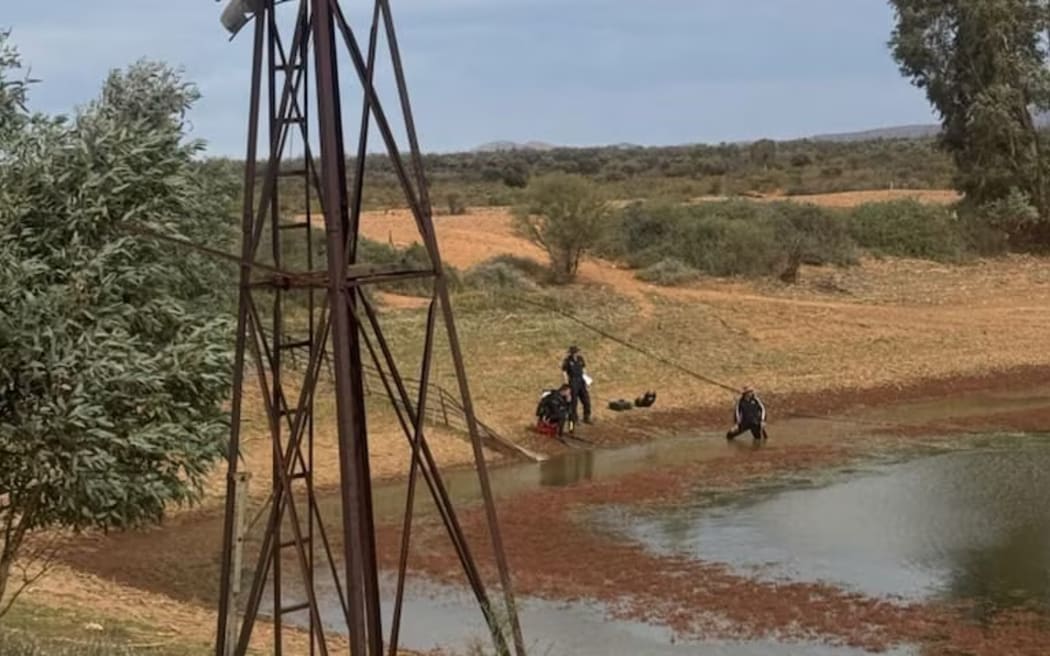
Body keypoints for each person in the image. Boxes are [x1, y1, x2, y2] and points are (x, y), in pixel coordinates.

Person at [561, 345, 592, 425]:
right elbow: (564, 372)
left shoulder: (580, 359)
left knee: (586, 400)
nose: (576, 354)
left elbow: (584, 369)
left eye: (577, 352)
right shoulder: (567, 361)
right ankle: (575, 418)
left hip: (581, 380)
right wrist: (566, 383)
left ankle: (587, 417)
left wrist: (586, 380)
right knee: (574, 402)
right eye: (574, 352)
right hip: (573, 381)